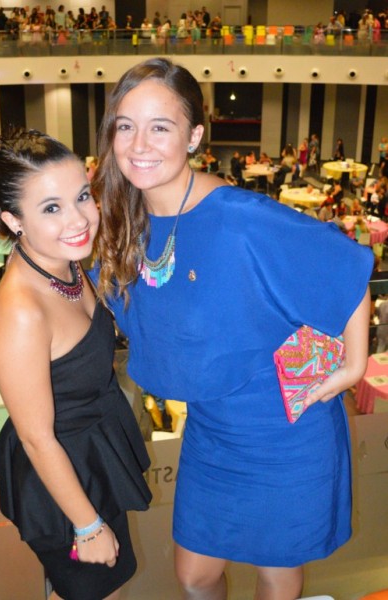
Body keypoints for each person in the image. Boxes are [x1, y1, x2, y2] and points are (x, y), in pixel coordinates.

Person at [91, 58, 372, 600]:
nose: (139, 144)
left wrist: (353, 367)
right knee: (194, 575)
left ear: (194, 136)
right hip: (212, 427)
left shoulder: (241, 218)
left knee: (277, 571)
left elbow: (343, 267)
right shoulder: (127, 219)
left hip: (284, 429)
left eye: (160, 127)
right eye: (126, 126)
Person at [0, 130, 151, 600]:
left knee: (106, 587)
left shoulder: (66, 261)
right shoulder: (21, 311)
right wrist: (88, 524)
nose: (78, 219)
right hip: (61, 481)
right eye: (51, 208)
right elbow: (37, 438)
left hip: (94, 458)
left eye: (81, 196)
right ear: (14, 220)